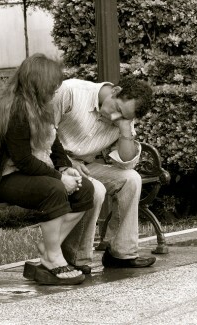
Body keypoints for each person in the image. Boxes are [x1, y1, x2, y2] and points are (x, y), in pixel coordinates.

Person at [0, 53, 95, 285]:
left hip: (20, 171)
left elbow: (53, 142)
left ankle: (49, 248)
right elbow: (23, 159)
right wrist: (59, 177)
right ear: (38, 84)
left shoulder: (39, 105)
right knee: (54, 189)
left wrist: (65, 168)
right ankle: (53, 257)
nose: (55, 91)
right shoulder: (12, 109)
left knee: (86, 189)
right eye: (52, 86)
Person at [51, 76, 157, 268]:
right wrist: (66, 163)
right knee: (95, 189)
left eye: (125, 117)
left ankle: (120, 253)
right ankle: (76, 259)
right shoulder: (71, 92)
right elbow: (43, 131)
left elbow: (126, 163)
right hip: (52, 164)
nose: (116, 117)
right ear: (115, 91)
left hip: (84, 167)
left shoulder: (123, 117)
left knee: (131, 179)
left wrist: (125, 128)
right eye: (117, 110)